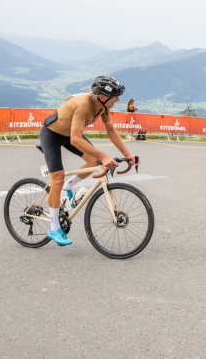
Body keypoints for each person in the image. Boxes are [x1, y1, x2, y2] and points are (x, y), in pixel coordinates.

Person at [39, 76, 136, 246]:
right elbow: (76, 139)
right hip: (52, 135)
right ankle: (54, 227)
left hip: (70, 134)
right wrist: (104, 157)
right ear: (104, 97)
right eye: (115, 96)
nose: (118, 100)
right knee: (57, 178)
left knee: (93, 162)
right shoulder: (84, 105)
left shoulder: (103, 107)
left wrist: (128, 155)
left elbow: (111, 131)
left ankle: (69, 186)